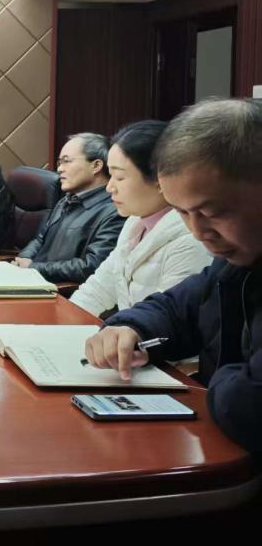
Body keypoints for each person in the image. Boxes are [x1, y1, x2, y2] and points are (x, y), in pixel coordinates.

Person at [84, 99, 262, 452]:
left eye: (212, 213)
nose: (198, 232)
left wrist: (221, 376)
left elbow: (249, 406)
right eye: (182, 212)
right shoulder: (236, 259)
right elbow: (178, 308)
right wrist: (131, 328)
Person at [69, 120, 211, 316]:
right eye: (110, 176)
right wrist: (63, 321)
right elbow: (98, 289)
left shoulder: (191, 240)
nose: (109, 187)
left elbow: (167, 320)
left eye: (119, 177)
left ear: (161, 179)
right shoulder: (135, 222)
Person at [13, 133, 125, 284]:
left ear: (96, 166)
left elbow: (91, 266)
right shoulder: (66, 200)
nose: (59, 169)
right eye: (59, 163)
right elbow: (40, 239)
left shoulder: (115, 211)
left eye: (66, 161)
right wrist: (24, 259)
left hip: (61, 290)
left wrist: (34, 268)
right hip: (34, 280)